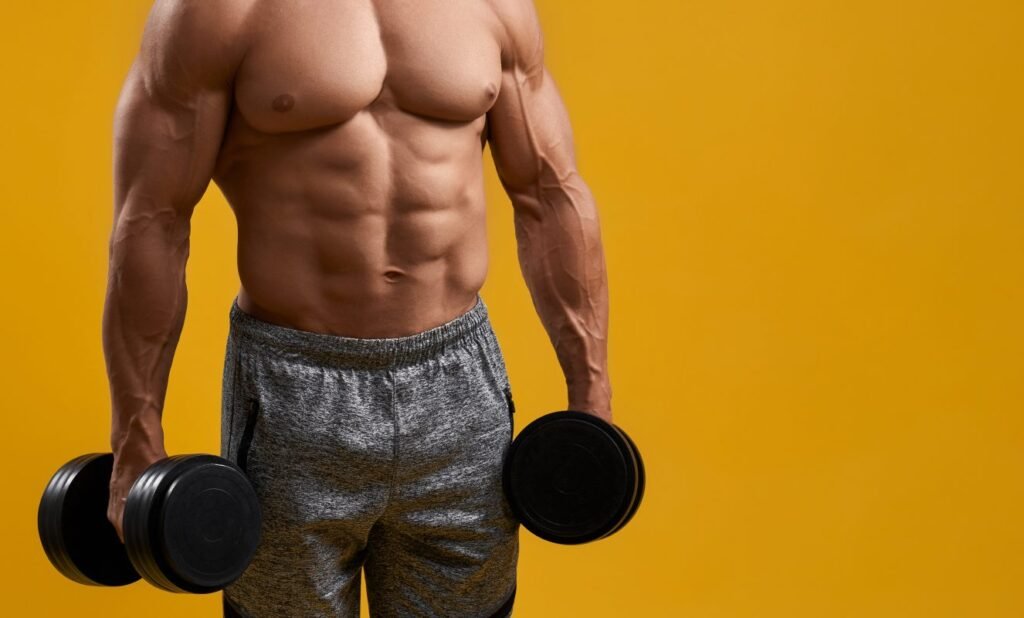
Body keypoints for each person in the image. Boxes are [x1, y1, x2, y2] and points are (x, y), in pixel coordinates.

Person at [102, 0, 611, 615]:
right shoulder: (216, 13)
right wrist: (135, 435)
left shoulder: (493, 7)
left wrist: (591, 397)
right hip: (293, 394)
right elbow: (152, 221)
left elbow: (549, 195)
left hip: (459, 385)